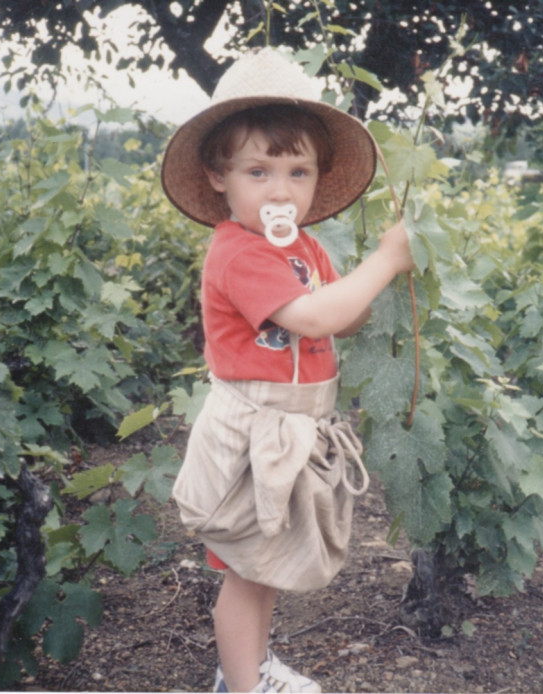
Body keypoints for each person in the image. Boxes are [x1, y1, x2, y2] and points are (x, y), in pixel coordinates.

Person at [161, 48, 414, 693]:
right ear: (220, 178)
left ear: (316, 178)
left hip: (293, 430)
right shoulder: (238, 253)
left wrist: (363, 287)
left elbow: (341, 318)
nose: (280, 190)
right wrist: (383, 263)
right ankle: (241, 686)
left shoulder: (303, 246)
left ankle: (250, 666)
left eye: (297, 171)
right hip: (255, 434)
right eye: (258, 171)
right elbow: (308, 319)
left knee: (265, 564)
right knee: (247, 572)